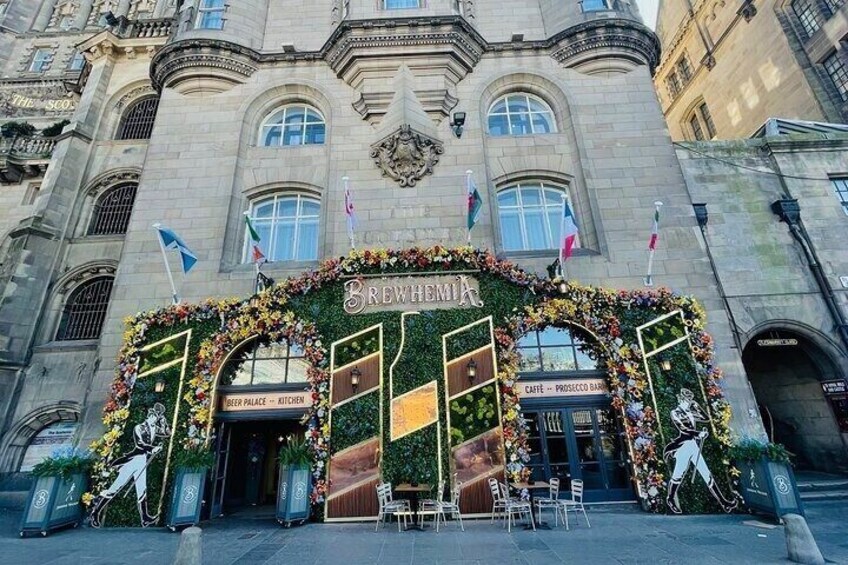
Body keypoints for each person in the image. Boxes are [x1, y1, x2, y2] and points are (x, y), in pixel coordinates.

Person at [89, 403, 171, 528]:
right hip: (134, 459)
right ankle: (96, 512)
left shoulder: (155, 427)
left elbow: (167, 433)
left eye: (158, 417)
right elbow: (140, 444)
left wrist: (164, 422)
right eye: (156, 416)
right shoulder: (139, 427)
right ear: (150, 415)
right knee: (116, 487)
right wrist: (153, 448)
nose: (156, 419)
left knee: (142, 489)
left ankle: (145, 517)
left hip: (143, 460)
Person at [663, 388, 737, 514]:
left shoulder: (691, 412)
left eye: (690, 400)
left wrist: (697, 406)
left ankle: (724, 502)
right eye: (687, 400)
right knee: (678, 473)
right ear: (681, 399)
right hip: (683, 445)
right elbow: (683, 428)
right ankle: (670, 498)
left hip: (693, 445)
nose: (689, 402)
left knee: (706, 472)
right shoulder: (675, 412)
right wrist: (698, 434)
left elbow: (705, 418)